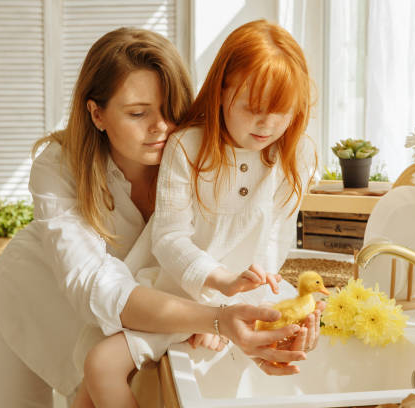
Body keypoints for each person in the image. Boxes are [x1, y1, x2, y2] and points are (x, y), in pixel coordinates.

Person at [0, 27, 318, 408]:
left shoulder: (192, 157)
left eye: (170, 110)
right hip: (34, 294)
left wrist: (223, 318)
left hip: (145, 311)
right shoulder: (59, 167)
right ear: (97, 113)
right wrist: (212, 318)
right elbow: (96, 285)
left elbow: (240, 243)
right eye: (138, 113)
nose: (161, 127)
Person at [76, 20, 320, 408]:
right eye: (254, 109)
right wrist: (216, 296)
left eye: (283, 112)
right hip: (177, 294)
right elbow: (169, 238)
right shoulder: (187, 147)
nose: (268, 125)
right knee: (98, 370)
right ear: (221, 90)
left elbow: (274, 240)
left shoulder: (298, 155)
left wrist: (235, 314)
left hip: (243, 302)